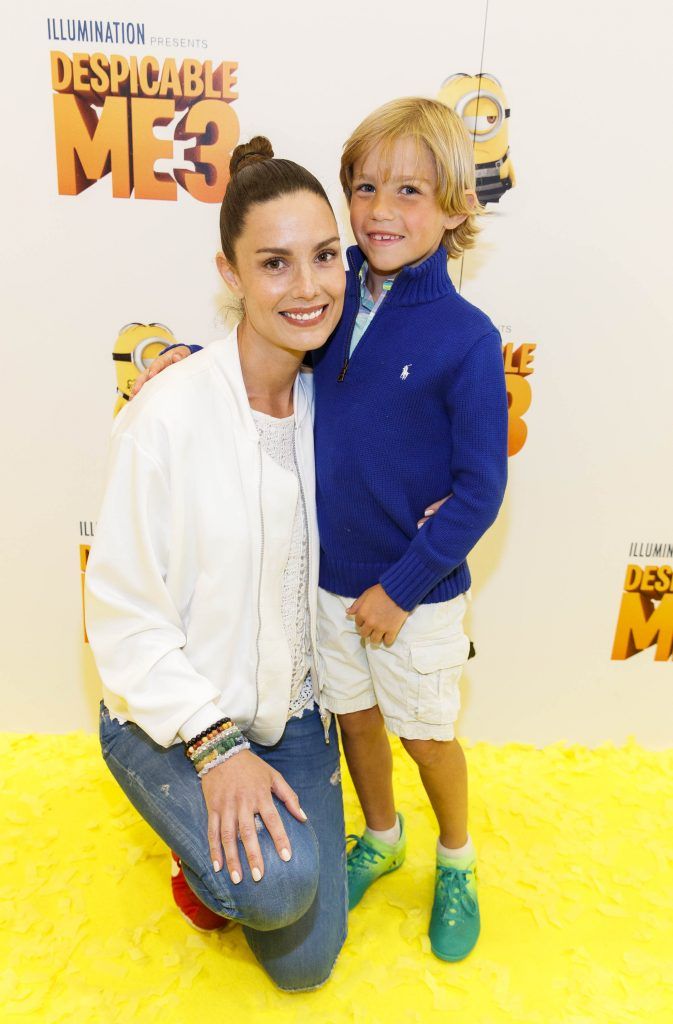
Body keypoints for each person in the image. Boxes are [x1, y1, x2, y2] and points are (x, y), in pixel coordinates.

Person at [139, 97, 509, 964]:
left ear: (455, 206)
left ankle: (456, 856)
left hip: (411, 598)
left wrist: (404, 585)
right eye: (366, 187)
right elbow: (266, 346)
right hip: (326, 586)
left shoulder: (466, 337)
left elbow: (479, 489)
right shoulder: (330, 286)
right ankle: (380, 836)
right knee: (357, 727)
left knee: (424, 734)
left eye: (410, 191)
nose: (381, 211)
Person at [85, 137, 349, 992]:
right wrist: (215, 747)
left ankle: (249, 833)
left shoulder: (330, 397)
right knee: (276, 889)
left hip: (294, 710)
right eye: (274, 263)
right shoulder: (167, 416)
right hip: (173, 717)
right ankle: (189, 835)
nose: (307, 288)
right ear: (229, 273)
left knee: (306, 966)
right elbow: (123, 617)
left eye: (323, 257)